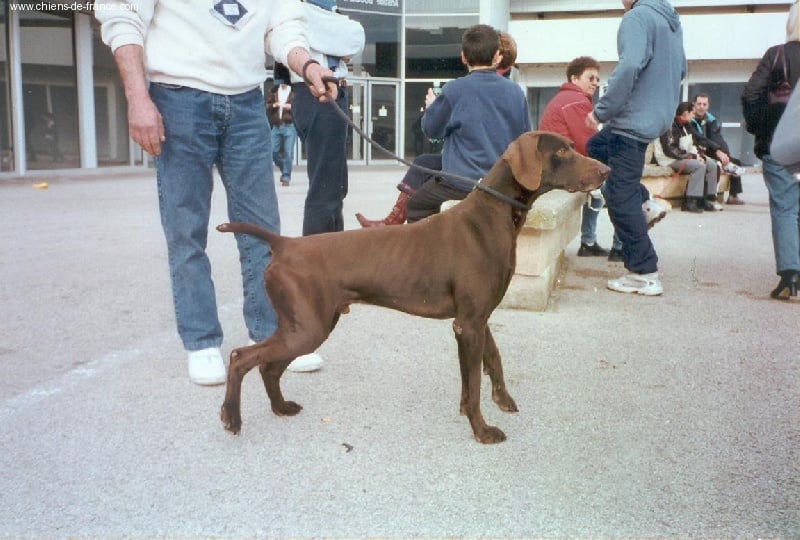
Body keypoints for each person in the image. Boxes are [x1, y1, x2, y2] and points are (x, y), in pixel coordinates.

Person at [95, 0, 337, 385]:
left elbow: (284, 27)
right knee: (185, 229)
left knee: (262, 231)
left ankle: (272, 334)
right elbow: (122, 14)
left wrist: (306, 64)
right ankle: (202, 341)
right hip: (176, 94)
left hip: (246, 101)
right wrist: (137, 98)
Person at [356, 25, 531, 226]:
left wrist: (432, 107)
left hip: (464, 181)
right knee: (424, 164)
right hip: (500, 180)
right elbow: (525, 137)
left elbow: (431, 130)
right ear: (497, 55)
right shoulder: (516, 92)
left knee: (417, 205)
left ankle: (429, 255)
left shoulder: (455, 89)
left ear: (463, 56)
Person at [585, 0, 686, 296]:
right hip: (651, 121)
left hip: (630, 123)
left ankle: (644, 271)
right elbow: (681, 70)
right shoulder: (671, 22)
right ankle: (644, 203)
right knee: (596, 146)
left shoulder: (637, 17)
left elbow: (629, 66)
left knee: (617, 193)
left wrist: (601, 111)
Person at [288, 0, 365, 236]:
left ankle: (331, 256)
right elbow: (355, 37)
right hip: (318, 94)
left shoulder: (315, 11)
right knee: (325, 191)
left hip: (321, 94)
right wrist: (341, 25)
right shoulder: (302, 10)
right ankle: (317, 261)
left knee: (333, 187)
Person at [741, 2, 800, 300]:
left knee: (785, 207)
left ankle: (791, 275)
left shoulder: (776, 54)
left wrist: (761, 128)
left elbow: (751, 94)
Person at [539, 56, 609, 256]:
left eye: (597, 78)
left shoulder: (567, 98)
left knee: (600, 187)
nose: (595, 82)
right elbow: (587, 143)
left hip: (556, 164)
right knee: (618, 186)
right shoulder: (575, 101)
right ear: (574, 78)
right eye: (591, 77)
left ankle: (589, 241)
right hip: (561, 167)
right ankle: (618, 246)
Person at [657, 101, 721, 213]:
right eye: (693, 113)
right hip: (669, 159)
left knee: (711, 164)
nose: (694, 116)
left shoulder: (687, 125)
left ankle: (707, 199)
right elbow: (671, 150)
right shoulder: (670, 126)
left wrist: (711, 151)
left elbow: (699, 139)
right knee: (699, 166)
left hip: (683, 156)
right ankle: (691, 201)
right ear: (686, 113)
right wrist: (692, 157)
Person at [690, 92, 748, 205]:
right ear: (694, 105)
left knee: (735, 162)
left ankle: (733, 196)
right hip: (697, 149)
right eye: (699, 104)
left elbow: (718, 138)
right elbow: (699, 139)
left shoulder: (711, 120)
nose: (701, 107)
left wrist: (725, 154)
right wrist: (718, 151)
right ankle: (709, 197)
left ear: (708, 106)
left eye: (704, 104)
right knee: (714, 165)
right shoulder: (690, 120)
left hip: (710, 148)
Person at [266, 63, 297, 187]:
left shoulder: (295, 92)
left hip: (289, 126)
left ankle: (286, 177)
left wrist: (289, 106)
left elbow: (300, 108)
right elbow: (267, 106)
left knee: (288, 153)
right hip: (276, 126)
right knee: (272, 151)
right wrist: (274, 105)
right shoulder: (273, 92)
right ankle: (284, 167)